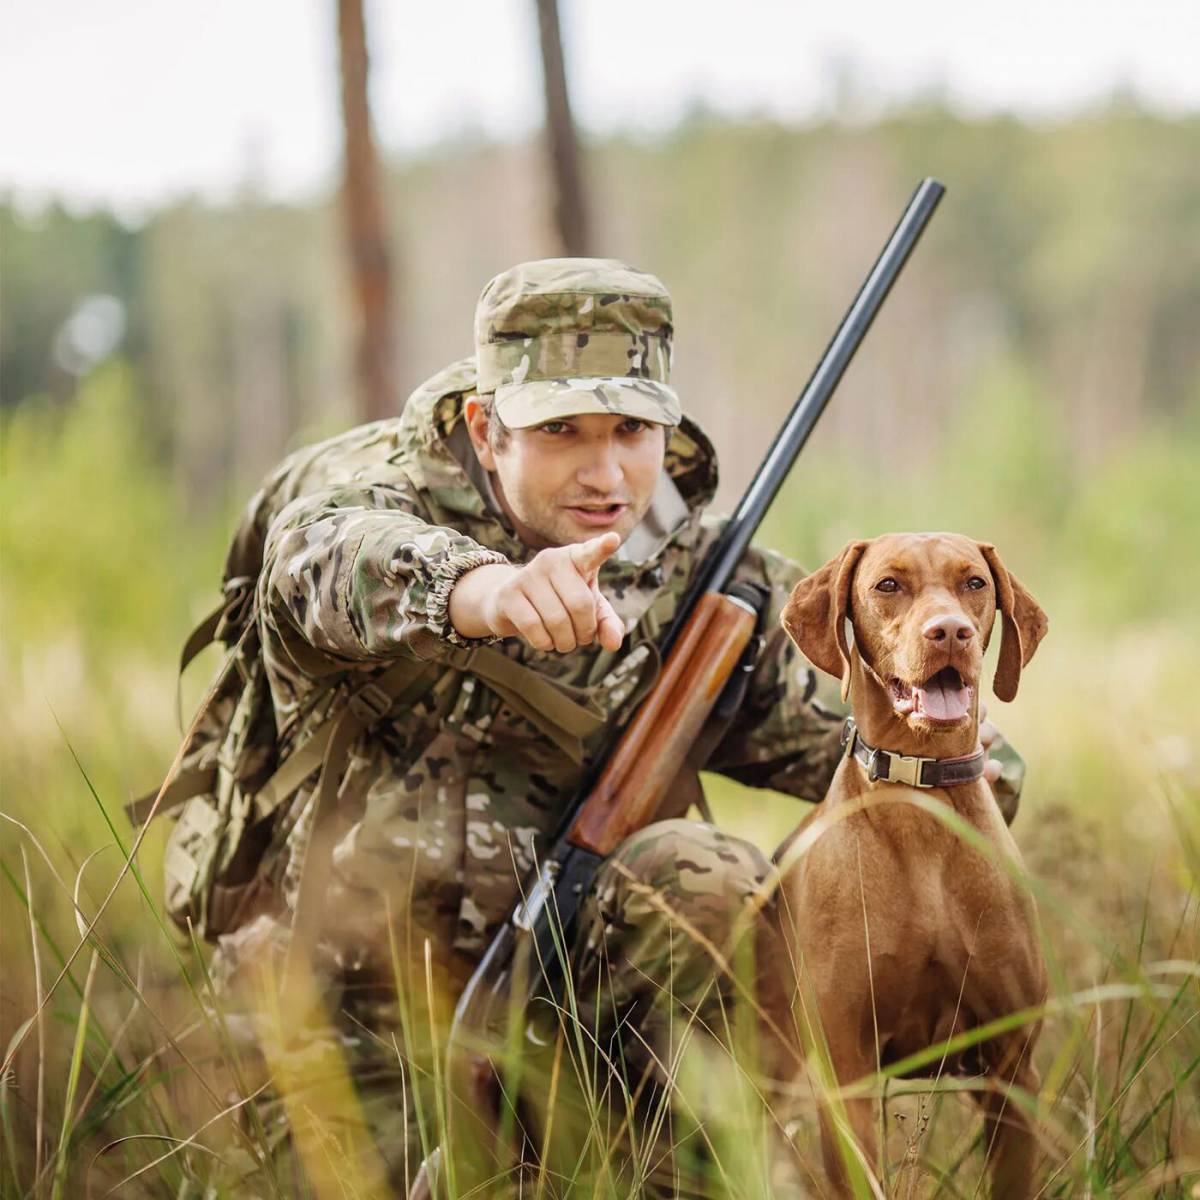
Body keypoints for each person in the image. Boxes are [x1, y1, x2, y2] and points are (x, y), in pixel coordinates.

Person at [202, 258, 1020, 1196]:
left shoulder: (701, 579)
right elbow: (324, 560)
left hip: (572, 989)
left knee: (713, 883)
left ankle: (669, 1164)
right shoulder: (374, 500)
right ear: (486, 425)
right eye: (559, 431)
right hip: (344, 1004)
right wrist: (484, 592)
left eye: (631, 429)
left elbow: (945, 765)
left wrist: (866, 914)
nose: (606, 472)